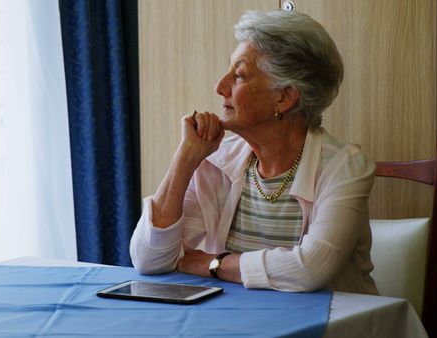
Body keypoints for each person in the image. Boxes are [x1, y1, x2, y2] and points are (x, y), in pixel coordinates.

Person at [130, 9, 378, 295]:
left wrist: (214, 264)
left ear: (284, 97)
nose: (220, 87)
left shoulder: (345, 167)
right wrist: (184, 159)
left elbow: (309, 270)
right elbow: (149, 260)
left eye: (238, 76)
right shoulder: (218, 158)